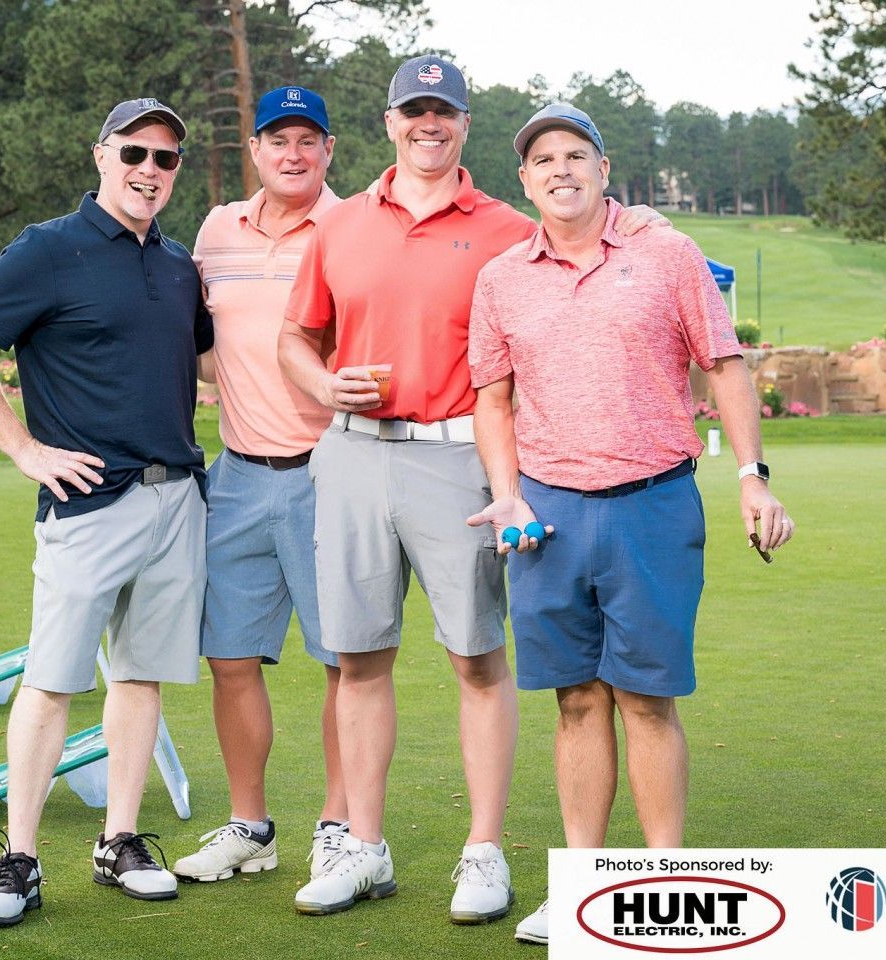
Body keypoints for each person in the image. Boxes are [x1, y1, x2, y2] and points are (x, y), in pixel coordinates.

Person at [279, 56, 665, 923]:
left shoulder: (503, 224)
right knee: (357, 657)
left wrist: (635, 220)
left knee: (476, 659)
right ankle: (362, 848)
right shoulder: (338, 226)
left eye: (442, 111)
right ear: (388, 122)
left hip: (459, 458)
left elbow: (587, 229)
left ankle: (483, 852)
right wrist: (316, 385)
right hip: (350, 454)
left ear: (462, 123)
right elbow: (295, 337)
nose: (428, 123)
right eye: (413, 110)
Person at [465, 103, 795, 946]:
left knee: (645, 700)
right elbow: (492, 397)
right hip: (547, 514)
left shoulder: (665, 254)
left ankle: (660, 885)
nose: (561, 170)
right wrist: (506, 491)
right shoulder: (502, 276)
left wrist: (752, 479)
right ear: (525, 180)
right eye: (544, 161)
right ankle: (585, 885)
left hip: (652, 502)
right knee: (576, 701)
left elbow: (723, 365)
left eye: (577, 155)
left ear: (605, 171)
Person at [0, 98, 213, 928]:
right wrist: (25, 451)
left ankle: (118, 841)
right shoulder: (48, 249)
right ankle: (19, 856)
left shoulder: (176, 264)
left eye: (165, 159)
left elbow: (204, 364)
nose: (148, 170)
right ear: (101, 156)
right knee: (51, 681)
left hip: (176, 500)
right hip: (87, 505)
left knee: (138, 676)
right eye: (134, 152)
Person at [170, 85, 350, 884]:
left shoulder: (353, 230)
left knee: (347, 663)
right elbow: (205, 342)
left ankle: (342, 827)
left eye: (308, 139)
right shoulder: (215, 230)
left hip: (334, 475)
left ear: (329, 150)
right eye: (278, 138)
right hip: (238, 476)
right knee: (230, 658)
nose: (293, 152)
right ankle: (251, 826)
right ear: (254, 150)